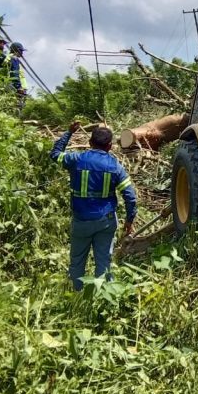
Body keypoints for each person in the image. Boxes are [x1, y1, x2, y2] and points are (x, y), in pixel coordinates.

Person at [50, 121, 138, 290]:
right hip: (106, 221)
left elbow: (55, 154)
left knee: (77, 261)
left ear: (90, 143)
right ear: (110, 146)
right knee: (104, 263)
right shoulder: (115, 167)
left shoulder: (76, 159)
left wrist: (69, 132)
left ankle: (76, 295)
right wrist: (129, 220)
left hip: (81, 221)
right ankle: (103, 298)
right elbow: (131, 197)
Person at [6, 42, 28, 112]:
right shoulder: (14, 58)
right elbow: (15, 73)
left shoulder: (8, 57)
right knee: (16, 109)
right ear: (16, 50)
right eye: (21, 51)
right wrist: (19, 87)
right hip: (16, 89)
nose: (22, 53)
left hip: (12, 87)